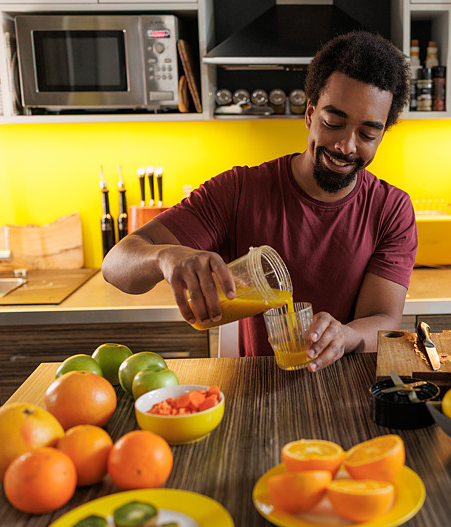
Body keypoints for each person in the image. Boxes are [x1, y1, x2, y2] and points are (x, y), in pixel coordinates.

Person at [102, 31, 417, 372]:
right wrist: (164, 257)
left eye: (368, 134)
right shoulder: (240, 191)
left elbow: (383, 319)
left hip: (349, 388)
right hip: (259, 387)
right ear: (310, 113)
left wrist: (345, 335)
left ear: (383, 133)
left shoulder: (391, 209)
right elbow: (115, 266)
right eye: (333, 123)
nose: (347, 146)